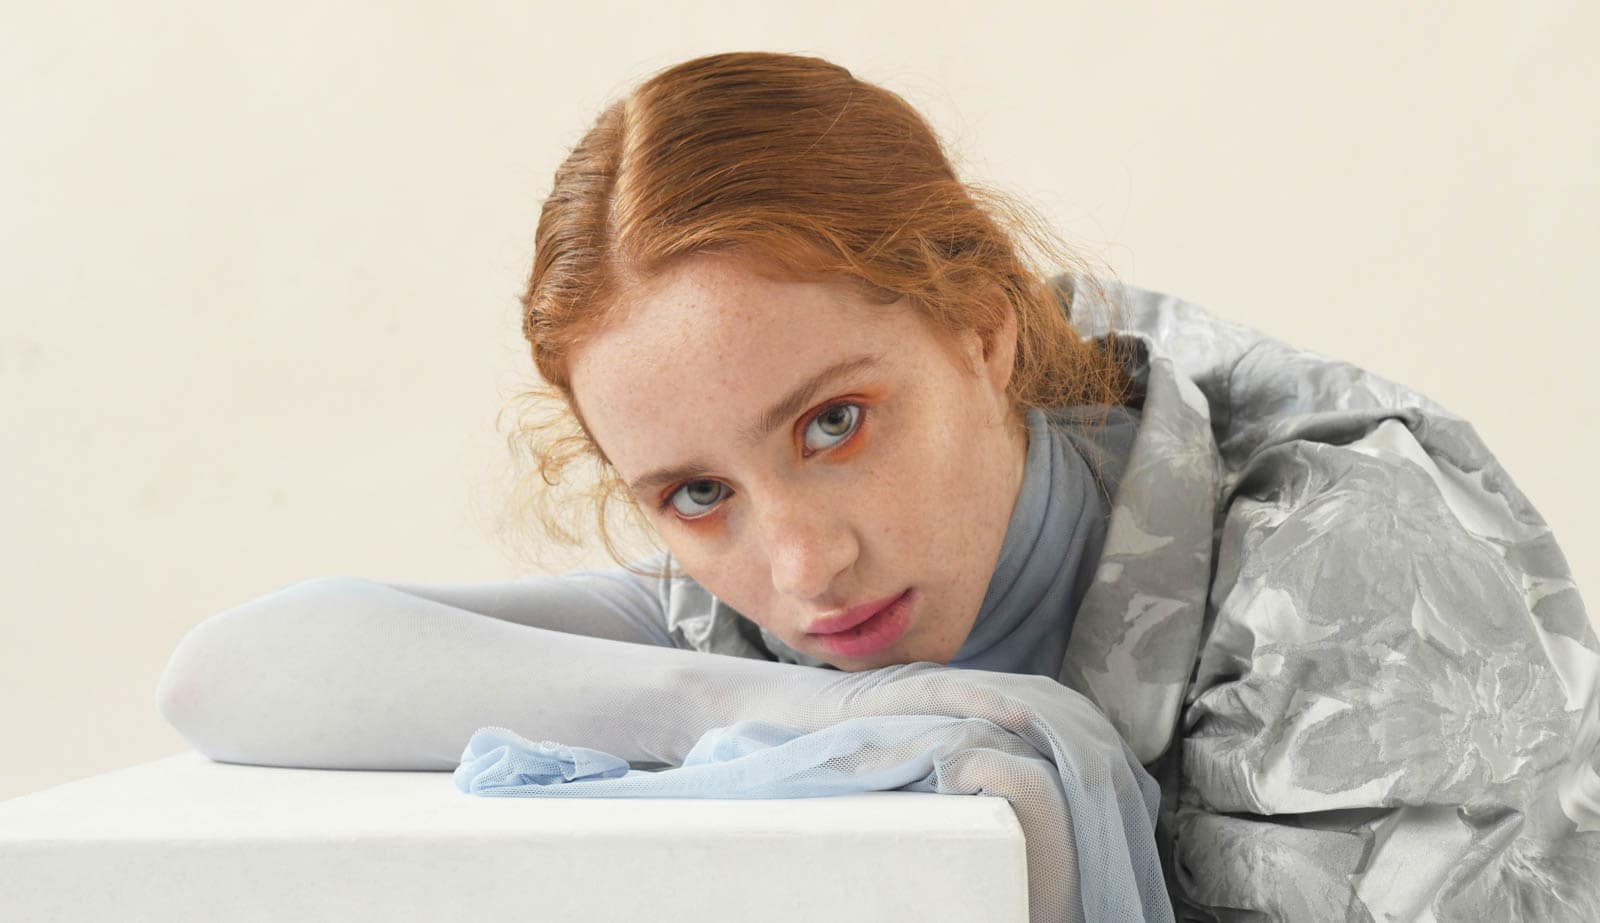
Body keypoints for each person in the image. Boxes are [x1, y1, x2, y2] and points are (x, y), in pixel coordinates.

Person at [157, 51, 1600, 920]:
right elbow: (236, 676)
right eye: (694, 495)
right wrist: (801, 710)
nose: (801, 571)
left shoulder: (1355, 570)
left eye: (835, 424)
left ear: (983, 325)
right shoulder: (765, 601)